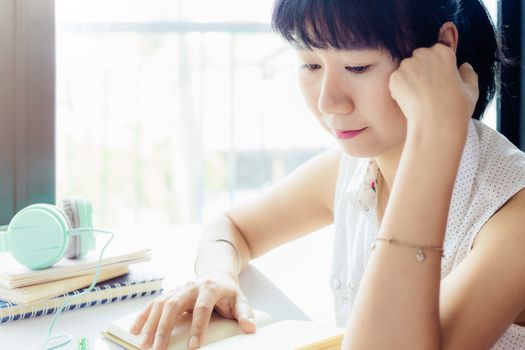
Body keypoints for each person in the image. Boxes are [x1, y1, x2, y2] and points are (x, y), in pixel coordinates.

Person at [130, 0, 525, 349]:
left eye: (357, 66)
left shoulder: (513, 211)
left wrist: (437, 132)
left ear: (442, 50)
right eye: (310, 65)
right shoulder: (358, 167)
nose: (328, 101)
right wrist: (218, 275)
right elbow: (231, 227)